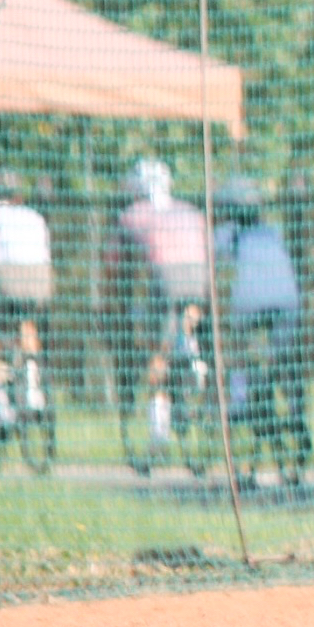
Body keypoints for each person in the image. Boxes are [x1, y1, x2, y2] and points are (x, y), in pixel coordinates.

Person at [107, 158, 210, 459]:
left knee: (157, 353)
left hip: (164, 282)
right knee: (185, 323)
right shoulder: (190, 211)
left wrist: (112, 302)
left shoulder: (133, 214)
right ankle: (194, 361)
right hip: (197, 282)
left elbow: (113, 267)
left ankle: (159, 434)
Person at [212, 177, 311, 471]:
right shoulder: (272, 231)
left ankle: (240, 399)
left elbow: (214, 262)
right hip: (287, 302)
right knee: (281, 359)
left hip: (250, 303)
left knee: (238, 348)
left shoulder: (228, 233)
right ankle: (293, 407)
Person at [0, 172, 53, 433]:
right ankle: (33, 391)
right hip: (39, 281)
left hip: (4, 281)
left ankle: (2, 410)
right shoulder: (33, 215)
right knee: (27, 324)